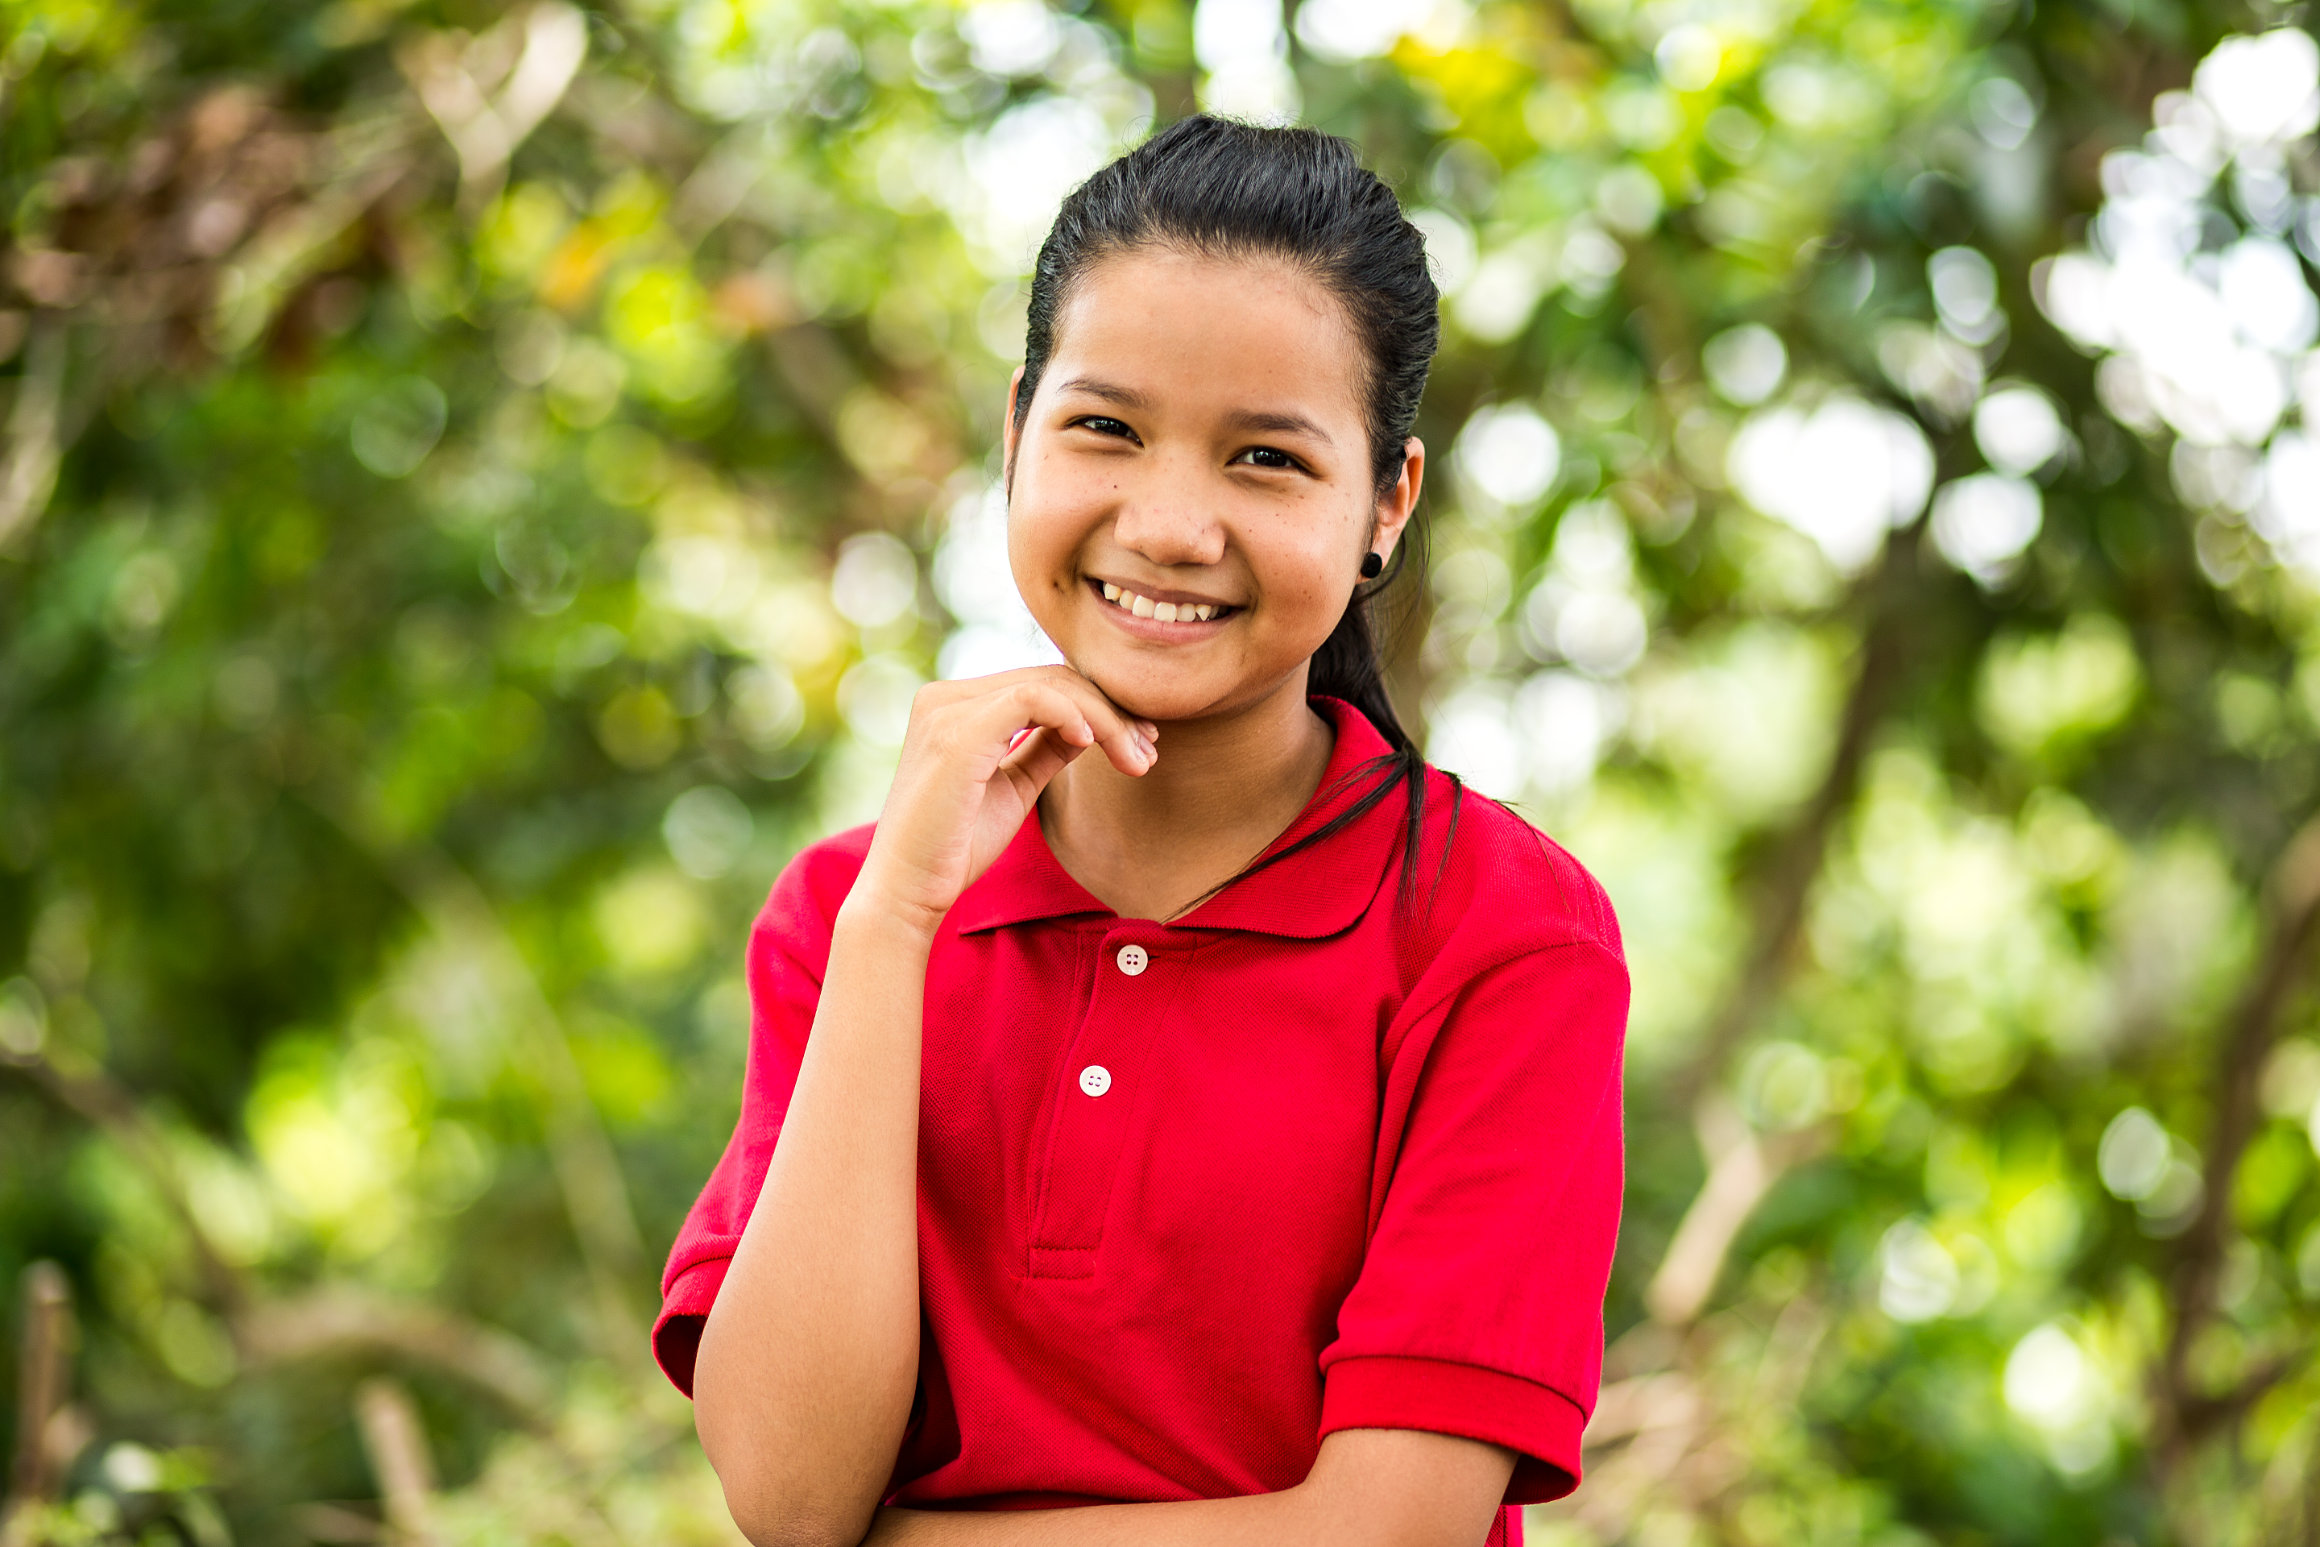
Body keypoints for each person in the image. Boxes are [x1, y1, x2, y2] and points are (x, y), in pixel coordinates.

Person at [652, 116, 1630, 1547]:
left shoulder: (1502, 932)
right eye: (1106, 427)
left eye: (1268, 461)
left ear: (1386, 502)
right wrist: (895, 933)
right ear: (1014, 435)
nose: (1171, 524)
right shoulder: (845, 914)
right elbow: (793, 1500)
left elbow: (1385, 1528)